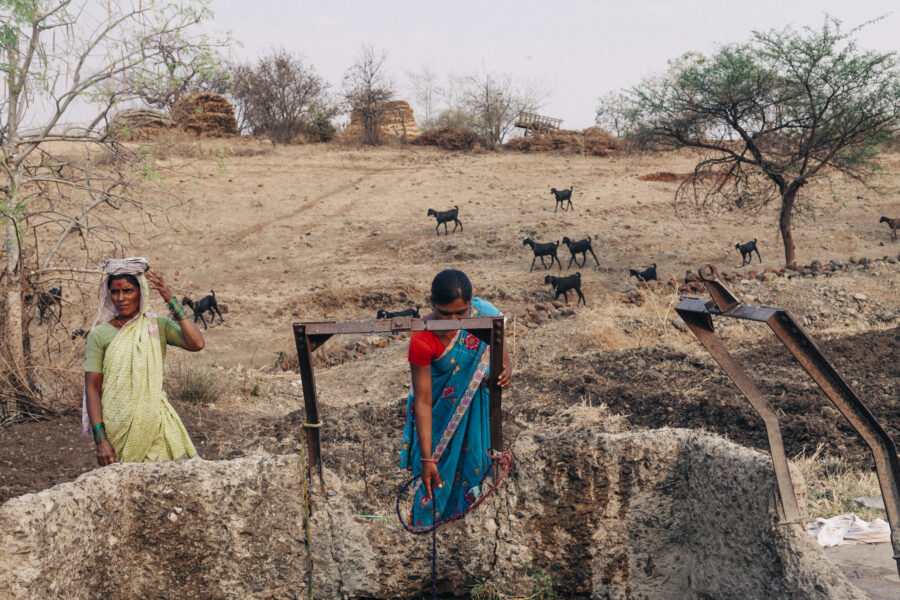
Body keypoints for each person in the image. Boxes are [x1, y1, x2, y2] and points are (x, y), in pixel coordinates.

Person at [399, 269, 512, 527]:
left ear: (471, 305)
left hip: (476, 414)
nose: (453, 320)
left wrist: (505, 370)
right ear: (432, 305)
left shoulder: (484, 315)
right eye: (444, 313)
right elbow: (424, 401)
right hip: (436, 421)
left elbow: (504, 358)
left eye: (460, 313)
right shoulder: (422, 337)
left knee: (476, 476)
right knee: (432, 487)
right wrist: (427, 458)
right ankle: (428, 535)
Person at [83, 258, 205, 466]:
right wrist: (100, 440)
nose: (120, 298)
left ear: (142, 292)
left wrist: (170, 299)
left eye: (128, 291)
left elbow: (196, 343)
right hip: (117, 430)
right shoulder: (99, 335)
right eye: (115, 292)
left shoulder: (158, 326)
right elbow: (92, 388)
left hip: (156, 425)